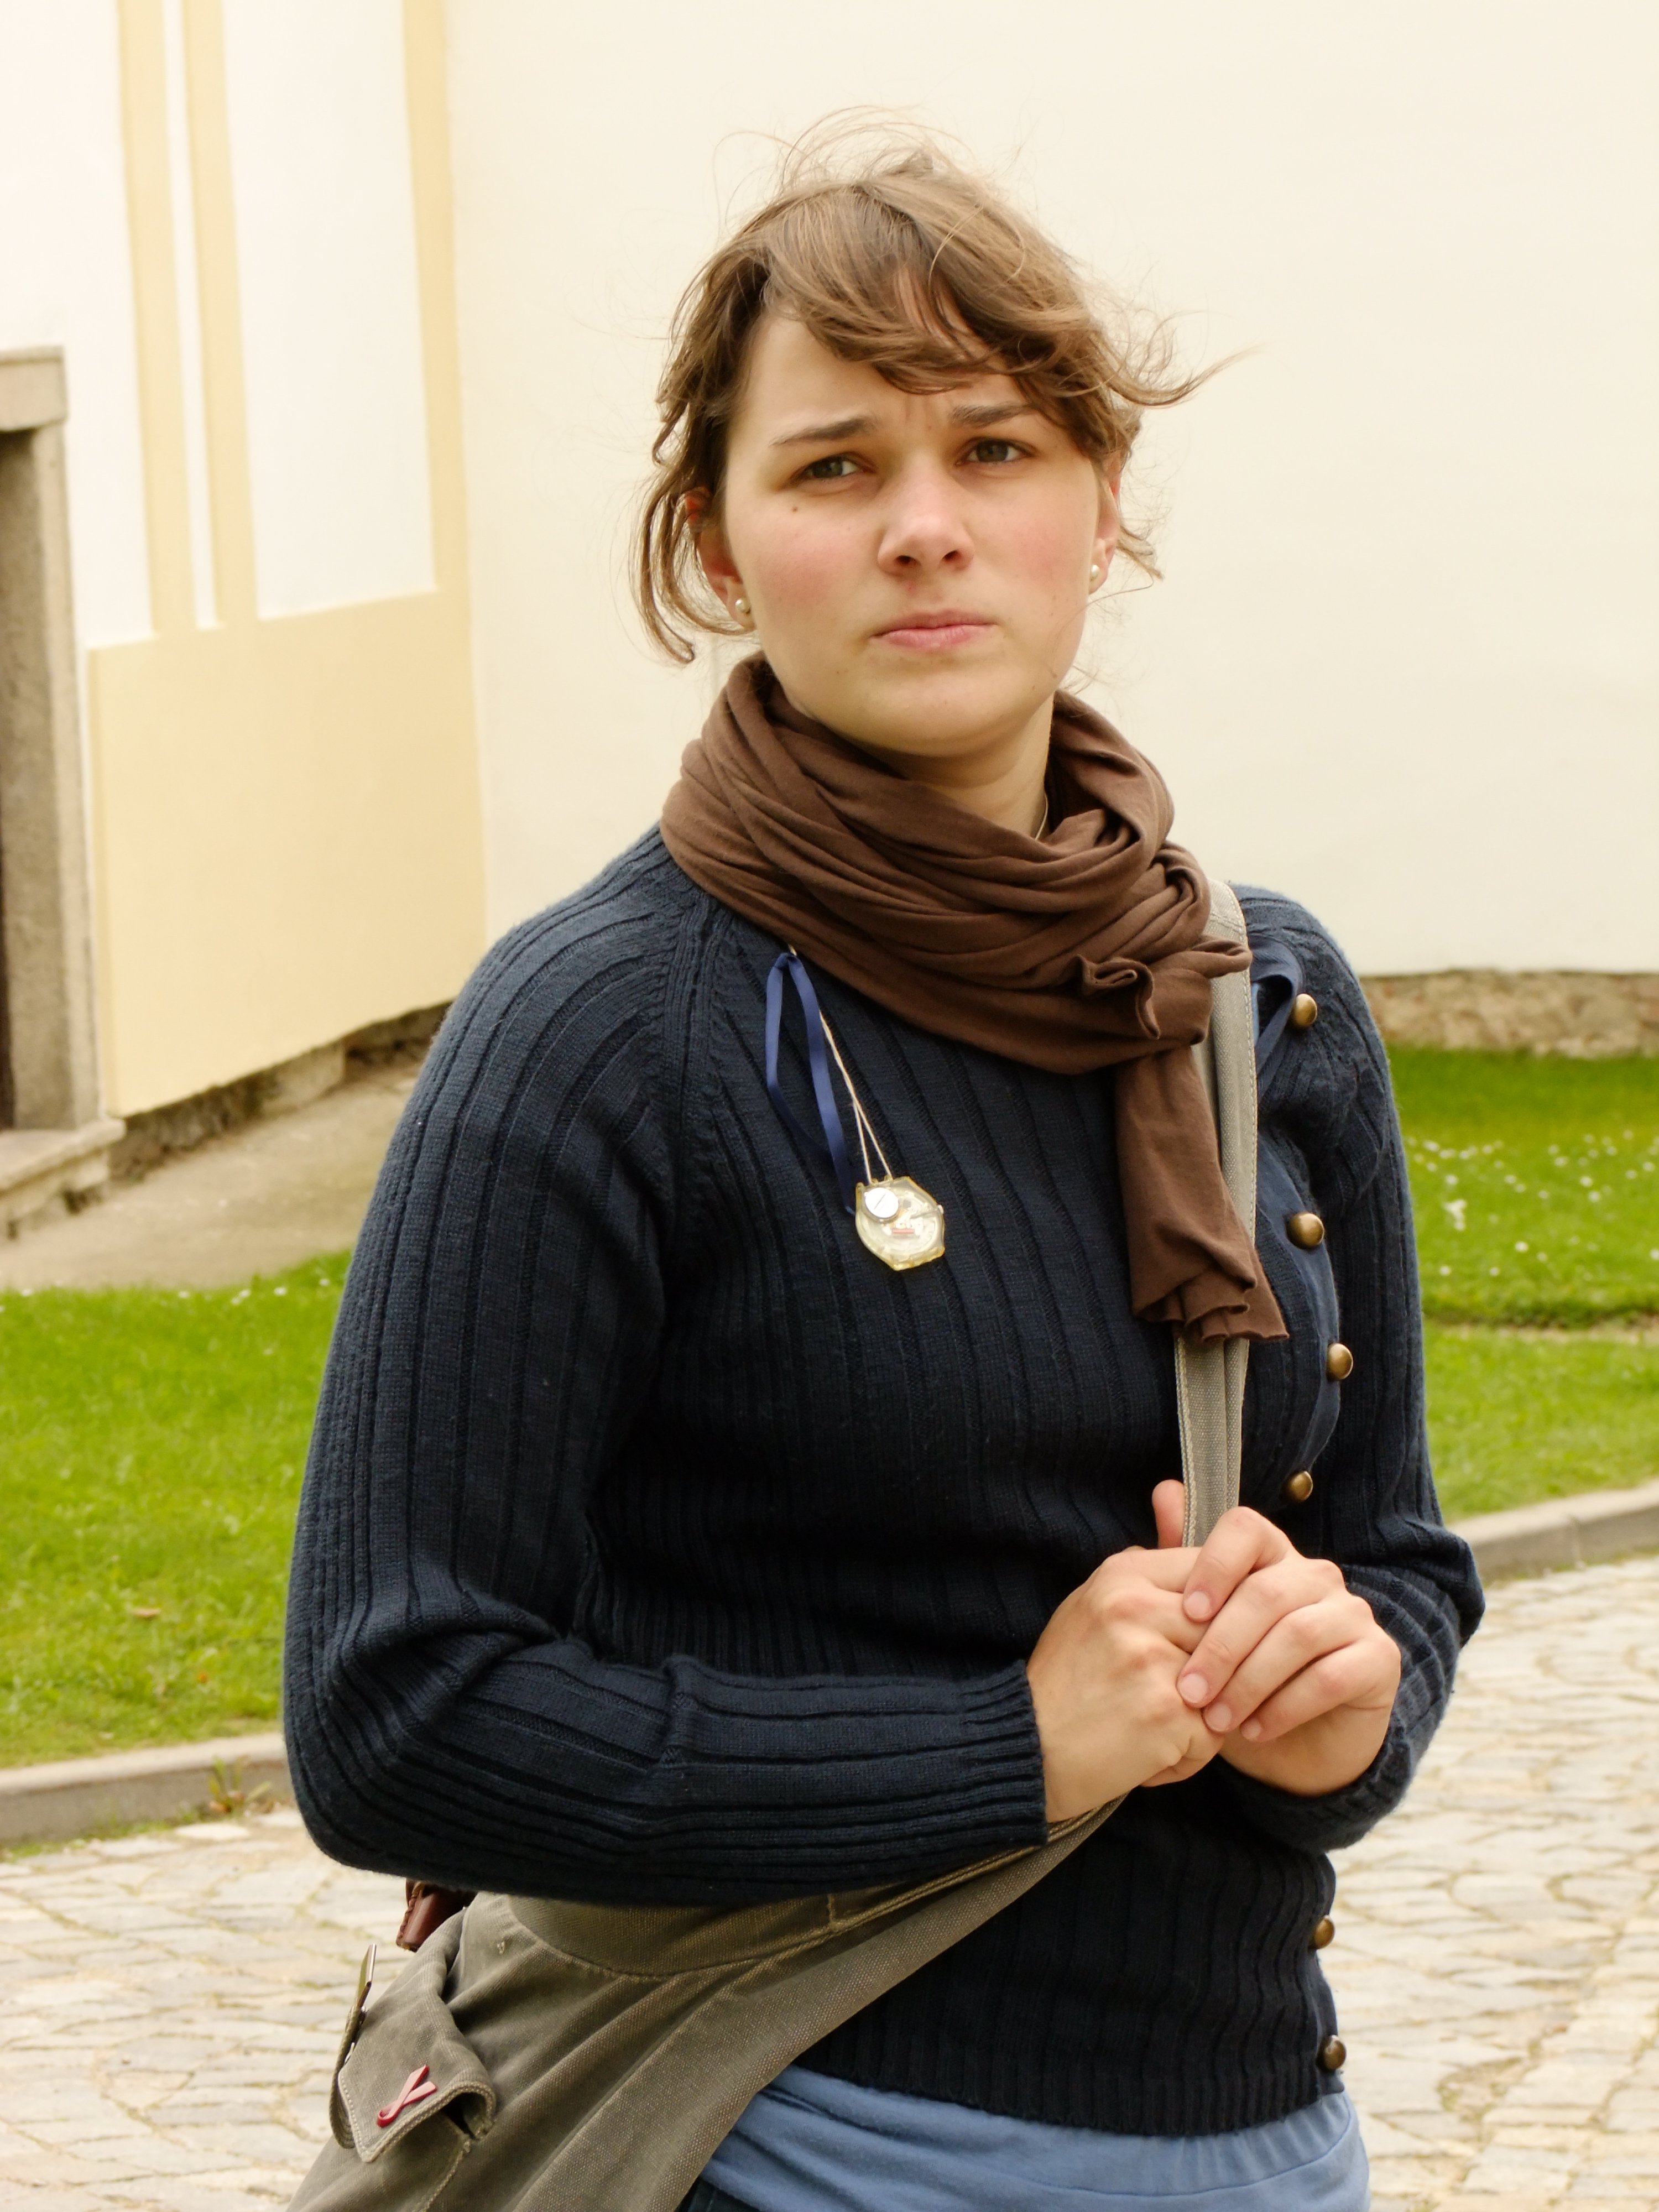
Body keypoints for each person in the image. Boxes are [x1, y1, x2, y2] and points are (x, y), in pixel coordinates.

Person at [285, 126, 1481, 2212]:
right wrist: (1011, 1747)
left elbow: (1397, 1555)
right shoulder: (600, 1027)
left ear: (1102, 502)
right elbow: (397, 1713)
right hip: (773, 2138)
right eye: (836, 466)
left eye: (995, 449)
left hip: (1268, 2144)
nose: (928, 528)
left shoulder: (1261, 994)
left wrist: (1348, 1704)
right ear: (718, 544)